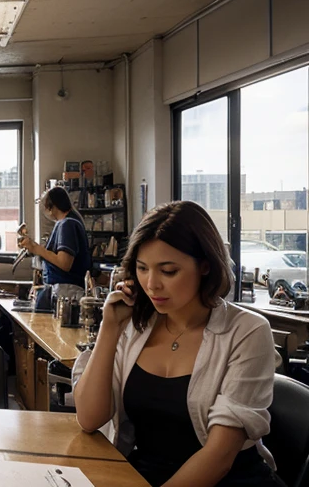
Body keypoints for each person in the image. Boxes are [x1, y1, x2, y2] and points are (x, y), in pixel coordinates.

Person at [73, 201, 281, 487]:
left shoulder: (247, 332)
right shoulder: (137, 324)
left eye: (168, 271)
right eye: (142, 268)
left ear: (205, 266)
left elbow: (219, 456)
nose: (152, 284)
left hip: (229, 480)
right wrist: (110, 328)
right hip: (145, 474)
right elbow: (89, 418)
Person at [18, 187, 90, 310]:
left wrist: (36, 248)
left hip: (66, 291)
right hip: (65, 290)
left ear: (52, 207)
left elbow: (64, 263)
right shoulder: (71, 222)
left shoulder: (67, 224)